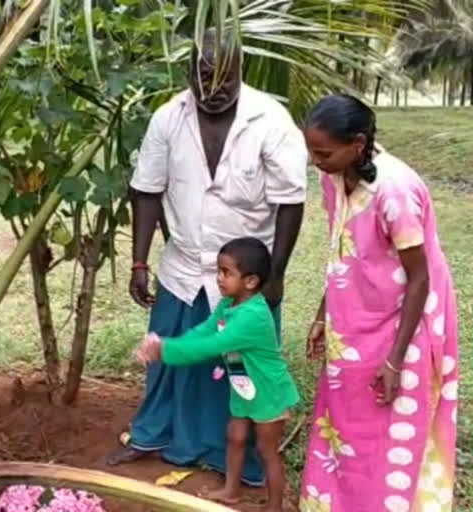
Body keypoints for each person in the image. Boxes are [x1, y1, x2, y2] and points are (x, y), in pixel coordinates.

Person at [106, 28, 308, 487]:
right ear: (188, 71)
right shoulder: (167, 118)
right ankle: (152, 435)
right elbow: (147, 191)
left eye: (225, 79)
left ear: (241, 70)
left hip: (244, 277)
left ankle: (232, 460)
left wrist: (274, 274)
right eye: (202, 76)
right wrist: (140, 262)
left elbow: (290, 203)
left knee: (240, 371)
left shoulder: (271, 121)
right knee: (165, 361)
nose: (213, 90)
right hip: (181, 267)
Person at [300, 94, 458, 512]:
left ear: (357, 143)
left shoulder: (395, 192)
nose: (317, 162)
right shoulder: (333, 177)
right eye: (312, 152)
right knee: (346, 423)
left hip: (402, 322)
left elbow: (420, 278)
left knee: (390, 428)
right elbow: (342, 250)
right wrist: (323, 314)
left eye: (323, 153)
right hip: (352, 321)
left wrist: (394, 361)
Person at [136, 237, 299, 512]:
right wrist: (169, 345)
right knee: (235, 437)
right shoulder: (228, 306)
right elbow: (205, 332)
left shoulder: (252, 316)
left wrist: (165, 351)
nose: (219, 279)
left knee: (267, 452)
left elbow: (212, 345)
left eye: (226, 273)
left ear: (251, 282)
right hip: (243, 386)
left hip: (270, 392)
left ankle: (274, 507)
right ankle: (231, 491)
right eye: (218, 271)